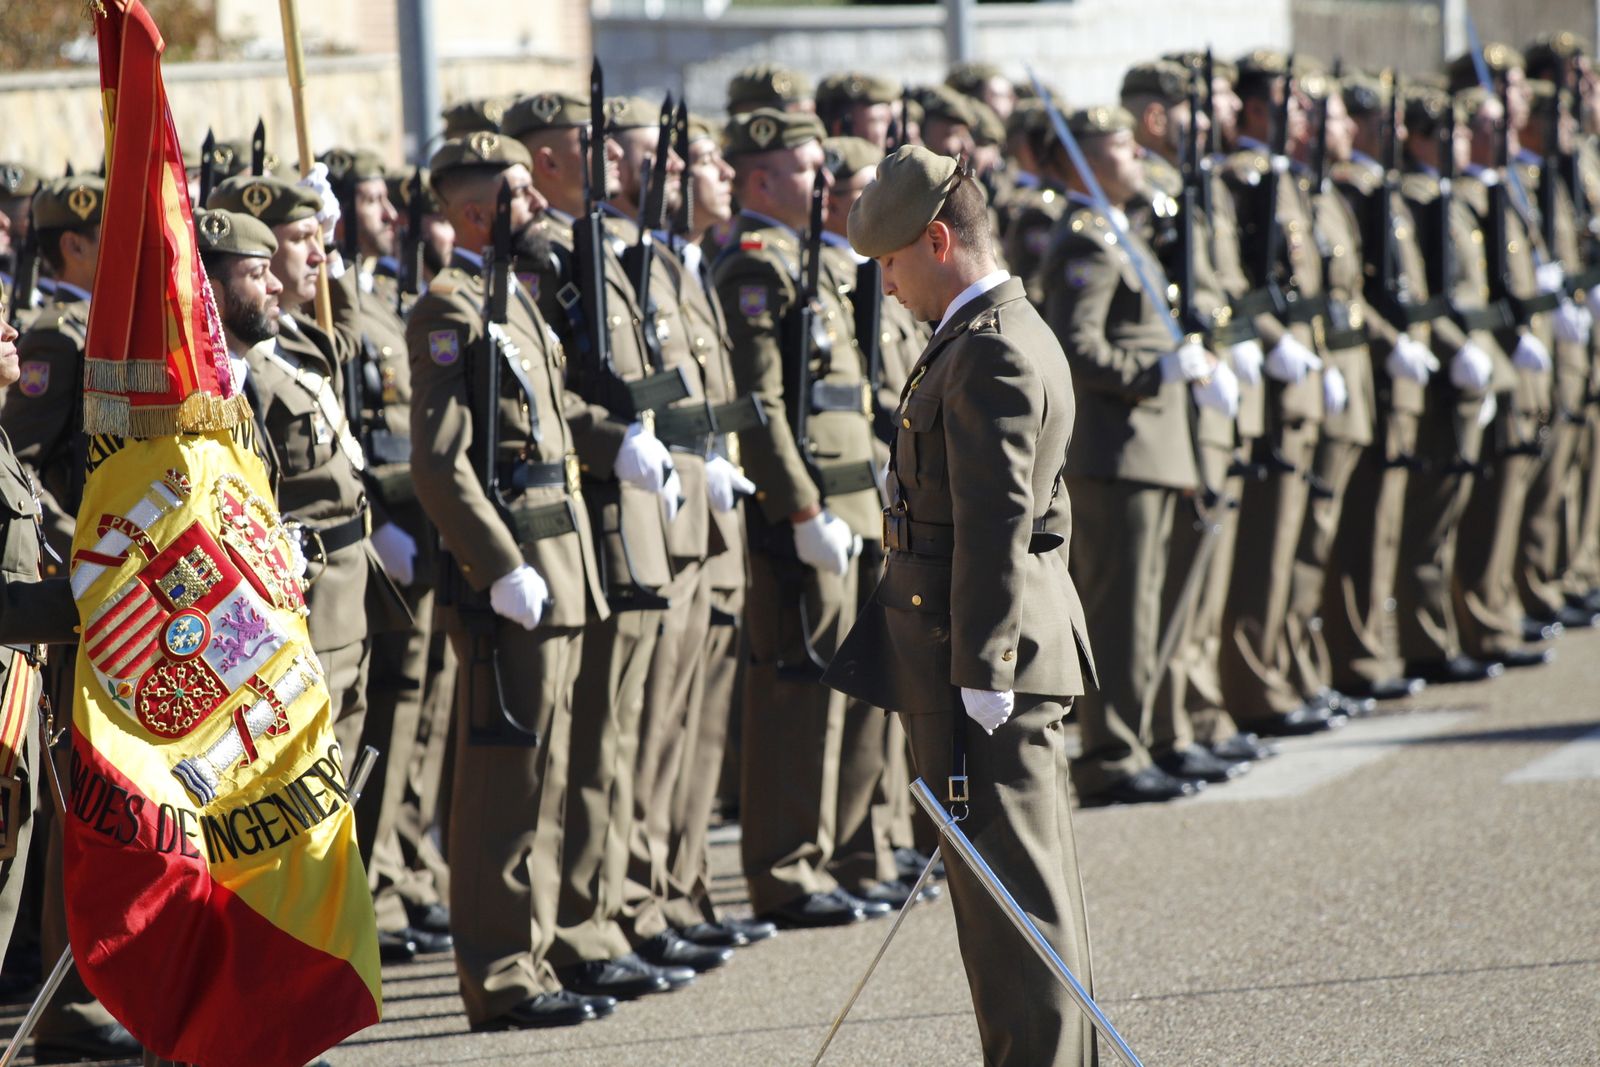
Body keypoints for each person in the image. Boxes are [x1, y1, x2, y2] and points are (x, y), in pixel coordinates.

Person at [825, 142, 1098, 1067]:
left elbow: (996, 526)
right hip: (978, 653)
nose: (889, 288)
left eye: (894, 265)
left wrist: (980, 673)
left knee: (1014, 912)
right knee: (1015, 904)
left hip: (984, 666)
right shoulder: (988, 337)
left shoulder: (991, 354)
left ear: (938, 240)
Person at [404, 133, 614, 1030]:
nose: (539, 207)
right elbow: (441, 467)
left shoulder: (512, 305)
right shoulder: (446, 312)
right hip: (513, 582)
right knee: (503, 788)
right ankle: (496, 974)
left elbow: (554, 429)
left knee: (548, 776)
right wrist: (500, 568)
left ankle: (533, 956)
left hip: (560, 570)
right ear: (475, 212)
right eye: (521, 194)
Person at [712, 109, 889, 929]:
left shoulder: (810, 259)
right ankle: (787, 869)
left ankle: (847, 851)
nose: (823, 184)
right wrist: (802, 504)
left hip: (856, 501)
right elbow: (763, 406)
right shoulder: (756, 266)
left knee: (855, 693)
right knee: (798, 696)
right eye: (803, 169)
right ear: (757, 180)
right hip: (807, 510)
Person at [1039, 104, 1243, 805]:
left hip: (1153, 447)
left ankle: (1151, 737)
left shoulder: (1125, 233)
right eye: (1120, 148)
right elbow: (1077, 346)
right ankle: (1109, 755)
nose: (1136, 157)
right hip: (1117, 449)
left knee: (1150, 609)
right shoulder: (1086, 242)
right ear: (1084, 163)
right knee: (1120, 612)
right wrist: (1155, 374)